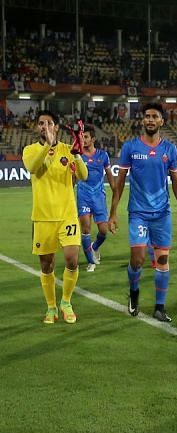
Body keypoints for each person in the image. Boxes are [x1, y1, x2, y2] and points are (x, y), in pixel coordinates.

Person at [109, 102, 177, 323]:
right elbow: (120, 182)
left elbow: (175, 182)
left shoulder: (169, 149)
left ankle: (159, 307)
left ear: (162, 121)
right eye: (147, 116)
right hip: (138, 213)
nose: (150, 120)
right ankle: (134, 293)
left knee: (162, 260)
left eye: (155, 116)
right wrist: (113, 212)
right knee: (137, 259)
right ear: (142, 120)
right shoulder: (131, 148)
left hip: (162, 213)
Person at [23, 111, 88, 324]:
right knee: (46, 265)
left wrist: (77, 153)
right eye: (41, 123)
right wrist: (47, 146)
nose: (45, 126)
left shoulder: (67, 150)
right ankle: (51, 307)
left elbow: (83, 175)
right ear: (37, 128)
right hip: (43, 218)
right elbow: (34, 168)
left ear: (57, 127)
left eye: (49, 123)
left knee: (72, 259)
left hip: (67, 215)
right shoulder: (30, 150)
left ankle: (66, 302)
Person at [77, 125, 115, 272]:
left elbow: (110, 175)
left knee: (104, 231)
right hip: (84, 196)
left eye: (86, 137)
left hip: (99, 196)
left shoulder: (103, 156)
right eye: (82, 137)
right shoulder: (78, 155)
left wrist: (115, 190)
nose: (83, 140)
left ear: (93, 139)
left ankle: (94, 247)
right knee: (85, 228)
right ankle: (90, 262)